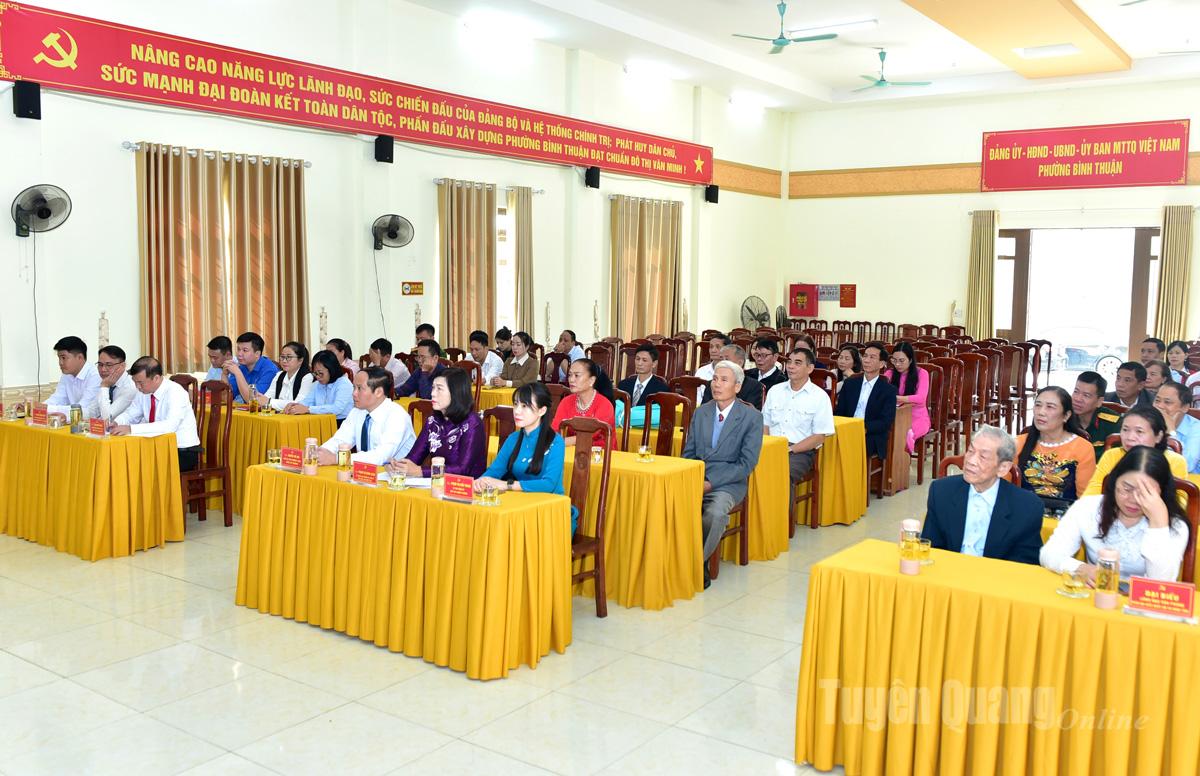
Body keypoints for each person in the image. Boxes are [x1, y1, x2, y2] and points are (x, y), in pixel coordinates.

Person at [1041, 446, 1190, 583]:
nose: (1133, 500)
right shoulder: (1088, 507)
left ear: (1161, 492)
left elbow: (1162, 582)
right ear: (1114, 481)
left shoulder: (1176, 525)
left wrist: (1159, 523)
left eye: (1146, 494)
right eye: (1127, 489)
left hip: (1141, 606)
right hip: (1096, 597)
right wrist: (1080, 569)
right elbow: (1049, 555)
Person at [683, 359, 764, 587]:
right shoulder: (701, 413)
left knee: (715, 513)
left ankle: (698, 562)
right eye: (715, 379)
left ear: (737, 387)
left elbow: (746, 464)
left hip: (729, 483)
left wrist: (710, 483)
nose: (716, 385)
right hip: (697, 477)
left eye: (724, 380)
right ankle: (674, 559)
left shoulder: (752, 418)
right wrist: (690, 478)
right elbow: (689, 454)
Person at [921, 426, 1044, 564]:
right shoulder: (941, 491)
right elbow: (930, 549)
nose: (971, 461)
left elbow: (1024, 567)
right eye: (970, 451)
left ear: (1003, 468)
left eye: (983, 456)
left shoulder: (1027, 507)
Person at [475, 382, 571, 530]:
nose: (517, 411)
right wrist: (481, 481)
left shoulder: (555, 442)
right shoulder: (513, 438)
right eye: (515, 404)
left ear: (542, 410)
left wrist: (507, 485)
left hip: (550, 511)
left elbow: (548, 484)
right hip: (520, 508)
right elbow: (494, 471)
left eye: (525, 406)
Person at [388, 368, 486, 478]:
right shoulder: (433, 421)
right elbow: (414, 458)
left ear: (456, 392)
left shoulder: (472, 423)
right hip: (436, 485)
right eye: (433, 388)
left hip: (465, 489)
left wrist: (421, 471)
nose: (432, 394)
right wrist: (400, 465)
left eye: (439, 389)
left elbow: (462, 469)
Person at [110, 356, 202, 471]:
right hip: (156, 447)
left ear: (156, 378)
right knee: (123, 461)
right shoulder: (143, 391)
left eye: (140, 382)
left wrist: (131, 429)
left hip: (181, 451)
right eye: (135, 382)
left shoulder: (175, 392)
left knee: (137, 467)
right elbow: (131, 414)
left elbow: (169, 426)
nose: (137, 387)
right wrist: (116, 422)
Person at [762, 347, 835, 485]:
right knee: (747, 468)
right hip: (771, 445)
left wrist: (789, 449)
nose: (790, 366)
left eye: (797, 363)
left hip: (800, 451)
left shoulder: (819, 396)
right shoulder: (775, 391)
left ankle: (782, 507)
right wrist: (768, 446)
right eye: (789, 362)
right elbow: (765, 424)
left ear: (810, 368)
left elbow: (819, 437)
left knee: (782, 473)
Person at [1014, 386, 1096, 506]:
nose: (1041, 412)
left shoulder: (1083, 448)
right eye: (1038, 405)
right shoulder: (1018, 443)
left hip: (1066, 518)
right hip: (1024, 513)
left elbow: (1086, 499)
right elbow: (1006, 489)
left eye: (1050, 407)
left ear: (1066, 416)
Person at [317, 367, 416, 466]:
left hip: (397, 477)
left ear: (378, 392)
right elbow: (340, 439)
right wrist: (319, 453)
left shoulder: (397, 416)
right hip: (365, 474)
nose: (354, 393)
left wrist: (337, 458)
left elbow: (381, 456)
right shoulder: (357, 411)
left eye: (359, 388)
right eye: (354, 388)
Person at [1084, 406, 1189, 494]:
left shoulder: (1175, 461)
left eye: (1139, 432)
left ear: (1158, 436)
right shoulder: (1112, 455)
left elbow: (1180, 504)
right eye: (1125, 430)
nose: (1130, 437)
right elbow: (1091, 495)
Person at [834, 342, 898, 461]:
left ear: (882, 364)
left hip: (870, 434)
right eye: (865, 356)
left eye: (872, 357)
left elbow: (885, 422)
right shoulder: (850, 384)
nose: (867, 360)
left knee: (853, 446)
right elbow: (839, 412)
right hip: (846, 430)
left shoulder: (888, 390)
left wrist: (862, 428)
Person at [552, 358, 616, 449]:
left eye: (577, 375)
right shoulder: (566, 401)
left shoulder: (604, 405)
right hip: (572, 452)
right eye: (570, 375)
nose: (571, 379)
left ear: (591, 380)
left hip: (600, 456)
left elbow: (590, 435)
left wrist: (557, 442)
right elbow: (555, 429)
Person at [885, 341, 929, 454]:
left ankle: (901, 465)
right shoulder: (889, 373)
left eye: (901, 360)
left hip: (917, 417)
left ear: (910, 360)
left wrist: (896, 398)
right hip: (895, 415)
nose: (897, 364)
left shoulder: (922, 373)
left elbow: (921, 399)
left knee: (905, 433)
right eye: (894, 360)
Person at [285, 350, 352, 420]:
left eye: (320, 373)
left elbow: (337, 408)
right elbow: (307, 402)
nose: (317, 377)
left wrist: (308, 409)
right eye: (315, 373)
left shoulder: (343, 383)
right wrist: (294, 405)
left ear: (332, 370)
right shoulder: (316, 384)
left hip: (341, 423)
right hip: (321, 421)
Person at [45, 336, 100, 418]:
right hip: (74, 422)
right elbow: (58, 398)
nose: (60, 363)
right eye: (59, 358)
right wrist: (36, 407)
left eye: (64, 358)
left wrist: (46, 408)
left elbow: (82, 408)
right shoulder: (66, 374)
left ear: (80, 357)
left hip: (93, 425)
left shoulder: (95, 375)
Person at [1072, 371, 1122, 462]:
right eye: (1076, 392)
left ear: (1099, 401)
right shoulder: (1063, 417)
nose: (1078, 399)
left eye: (1086, 395)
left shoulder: (1113, 423)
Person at [1155, 382, 1200, 473]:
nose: (1159, 406)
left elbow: (1187, 466)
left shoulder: (1196, 428)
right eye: (1157, 400)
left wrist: (1172, 432)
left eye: (1167, 402)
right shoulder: (1148, 421)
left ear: (1185, 407)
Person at [701, 344, 764, 410]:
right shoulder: (711, 384)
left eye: (726, 359)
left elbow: (750, 415)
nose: (723, 362)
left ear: (740, 363)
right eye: (721, 359)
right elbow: (704, 412)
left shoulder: (754, 386)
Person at [223, 331, 280, 403]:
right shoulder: (241, 366)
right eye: (238, 349)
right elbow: (226, 399)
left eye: (245, 350)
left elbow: (253, 400)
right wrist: (224, 375)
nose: (239, 354)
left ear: (257, 354)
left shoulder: (270, 370)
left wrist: (238, 373)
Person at [86, 345, 136, 422]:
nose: (103, 369)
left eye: (109, 365)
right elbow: (92, 411)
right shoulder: (108, 381)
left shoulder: (130, 387)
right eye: (100, 364)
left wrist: (104, 387)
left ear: (122, 366)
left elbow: (107, 418)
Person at [264, 342, 313, 412]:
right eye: (282, 357)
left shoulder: (307, 377)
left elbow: (298, 404)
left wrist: (269, 402)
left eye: (289, 357)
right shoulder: (279, 375)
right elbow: (267, 397)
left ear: (300, 360)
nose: (284, 361)